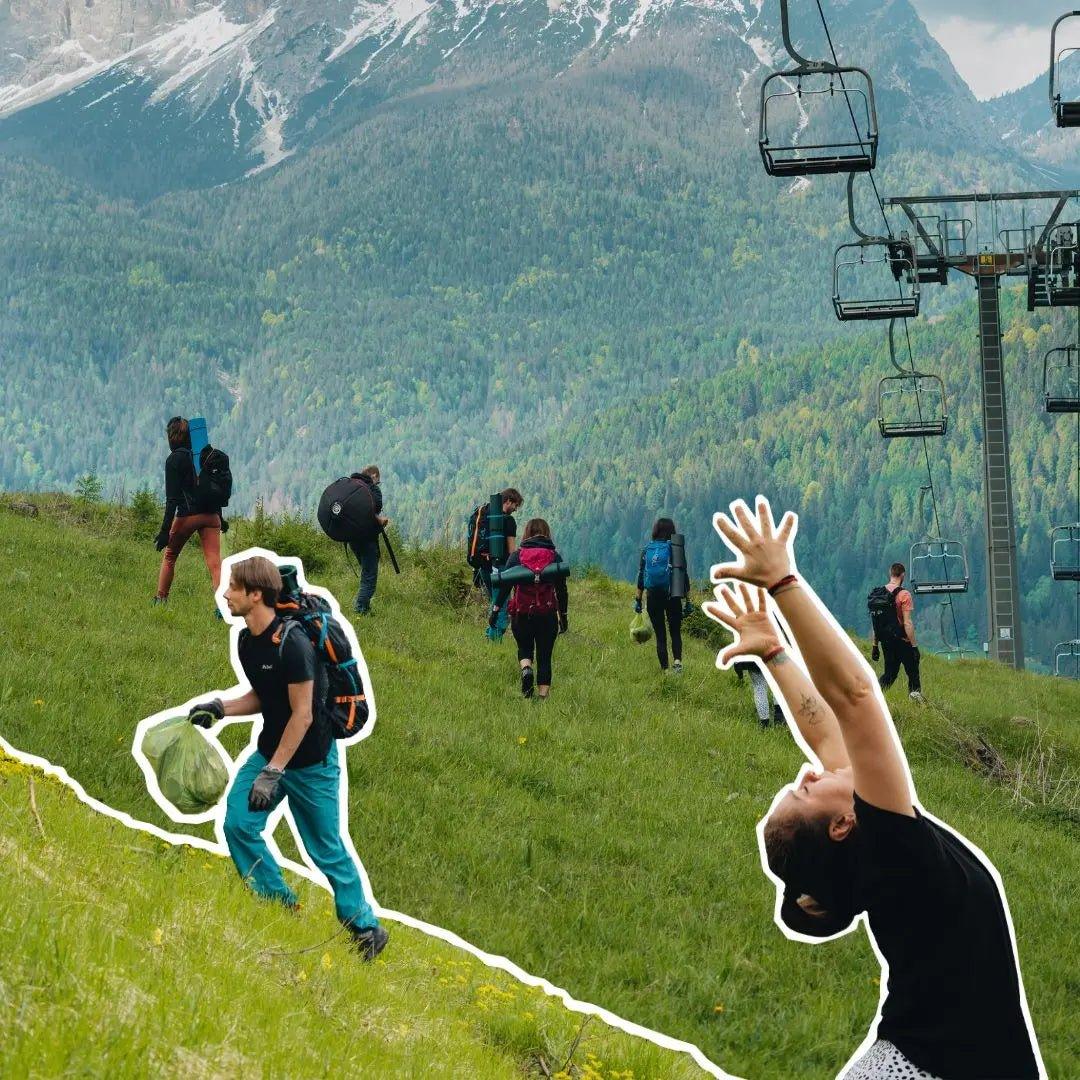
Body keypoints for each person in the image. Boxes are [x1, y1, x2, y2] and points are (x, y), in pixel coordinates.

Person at [706, 499, 1040, 1080]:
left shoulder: (873, 848)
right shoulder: (892, 844)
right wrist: (783, 583)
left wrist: (774, 651)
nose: (808, 772)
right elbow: (856, 701)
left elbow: (825, 731)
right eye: (803, 791)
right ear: (841, 824)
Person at [187, 556, 388, 960]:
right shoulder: (247, 640)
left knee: (324, 848)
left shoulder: (292, 643)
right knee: (238, 824)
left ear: (255, 594)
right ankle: (281, 905)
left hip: (311, 762)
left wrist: (273, 773)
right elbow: (265, 694)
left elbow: (303, 713)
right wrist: (221, 708)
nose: (224, 594)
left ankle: (366, 928)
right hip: (271, 752)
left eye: (233, 588)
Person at [490, 518, 568, 699]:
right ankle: (542, 699)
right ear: (547, 534)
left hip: (522, 614)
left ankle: (526, 669)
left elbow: (504, 587)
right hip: (547, 614)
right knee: (544, 657)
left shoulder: (516, 556)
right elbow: (562, 591)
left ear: (526, 534)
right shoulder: (554, 557)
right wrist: (563, 616)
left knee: (524, 648)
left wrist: (495, 610)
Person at [153, 416, 224, 606]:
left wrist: (164, 532)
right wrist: (220, 517)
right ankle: (222, 608)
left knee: (170, 556)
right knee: (215, 564)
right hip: (211, 515)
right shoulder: (204, 456)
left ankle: (160, 599)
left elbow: (172, 500)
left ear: (172, 437)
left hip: (188, 515)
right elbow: (210, 487)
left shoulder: (174, 460)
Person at [634, 518, 693, 674]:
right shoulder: (676, 549)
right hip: (672, 595)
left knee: (660, 635)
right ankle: (677, 663)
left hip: (653, 596)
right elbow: (684, 575)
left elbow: (641, 578)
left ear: (655, 531)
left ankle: (666, 672)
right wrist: (688, 601)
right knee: (675, 632)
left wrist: (638, 601)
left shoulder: (647, 550)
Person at [470, 488, 523, 639]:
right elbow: (512, 550)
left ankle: (489, 636)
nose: (515, 509)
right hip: (501, 568)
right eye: (515, 505)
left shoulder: (484, 515)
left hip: (483, 566)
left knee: (494, 604)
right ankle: (494, 639)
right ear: (508, 501)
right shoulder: (508, 521)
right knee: (501, 607)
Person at [869, 562, 923, 704]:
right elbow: (907, 623)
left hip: (886, 642)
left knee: (889, 675)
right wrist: (914, 646)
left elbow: (876, 624)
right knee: (913, 674)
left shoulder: (878, 595)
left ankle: (873, 699)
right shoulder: (904, 594)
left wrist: (875, 646)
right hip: (903, 642)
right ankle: (916, 704)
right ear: (903, 575)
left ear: (890, 574)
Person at [348, 466, 388, 616]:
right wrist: (379, 519)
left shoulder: (353, 488)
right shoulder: (372, 490)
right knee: (369, 577)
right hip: (367, 540)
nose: (378, 482)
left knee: (366, 573)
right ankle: (360, 609)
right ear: (374, 475)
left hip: (353, 540)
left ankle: (365, 607)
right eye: (378, 479)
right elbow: (376, 506)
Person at [734, 660, 784, 728]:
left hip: (753, 660)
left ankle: (764, 725)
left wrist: (740, 674)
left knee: (759, 687)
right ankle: (779, 719)